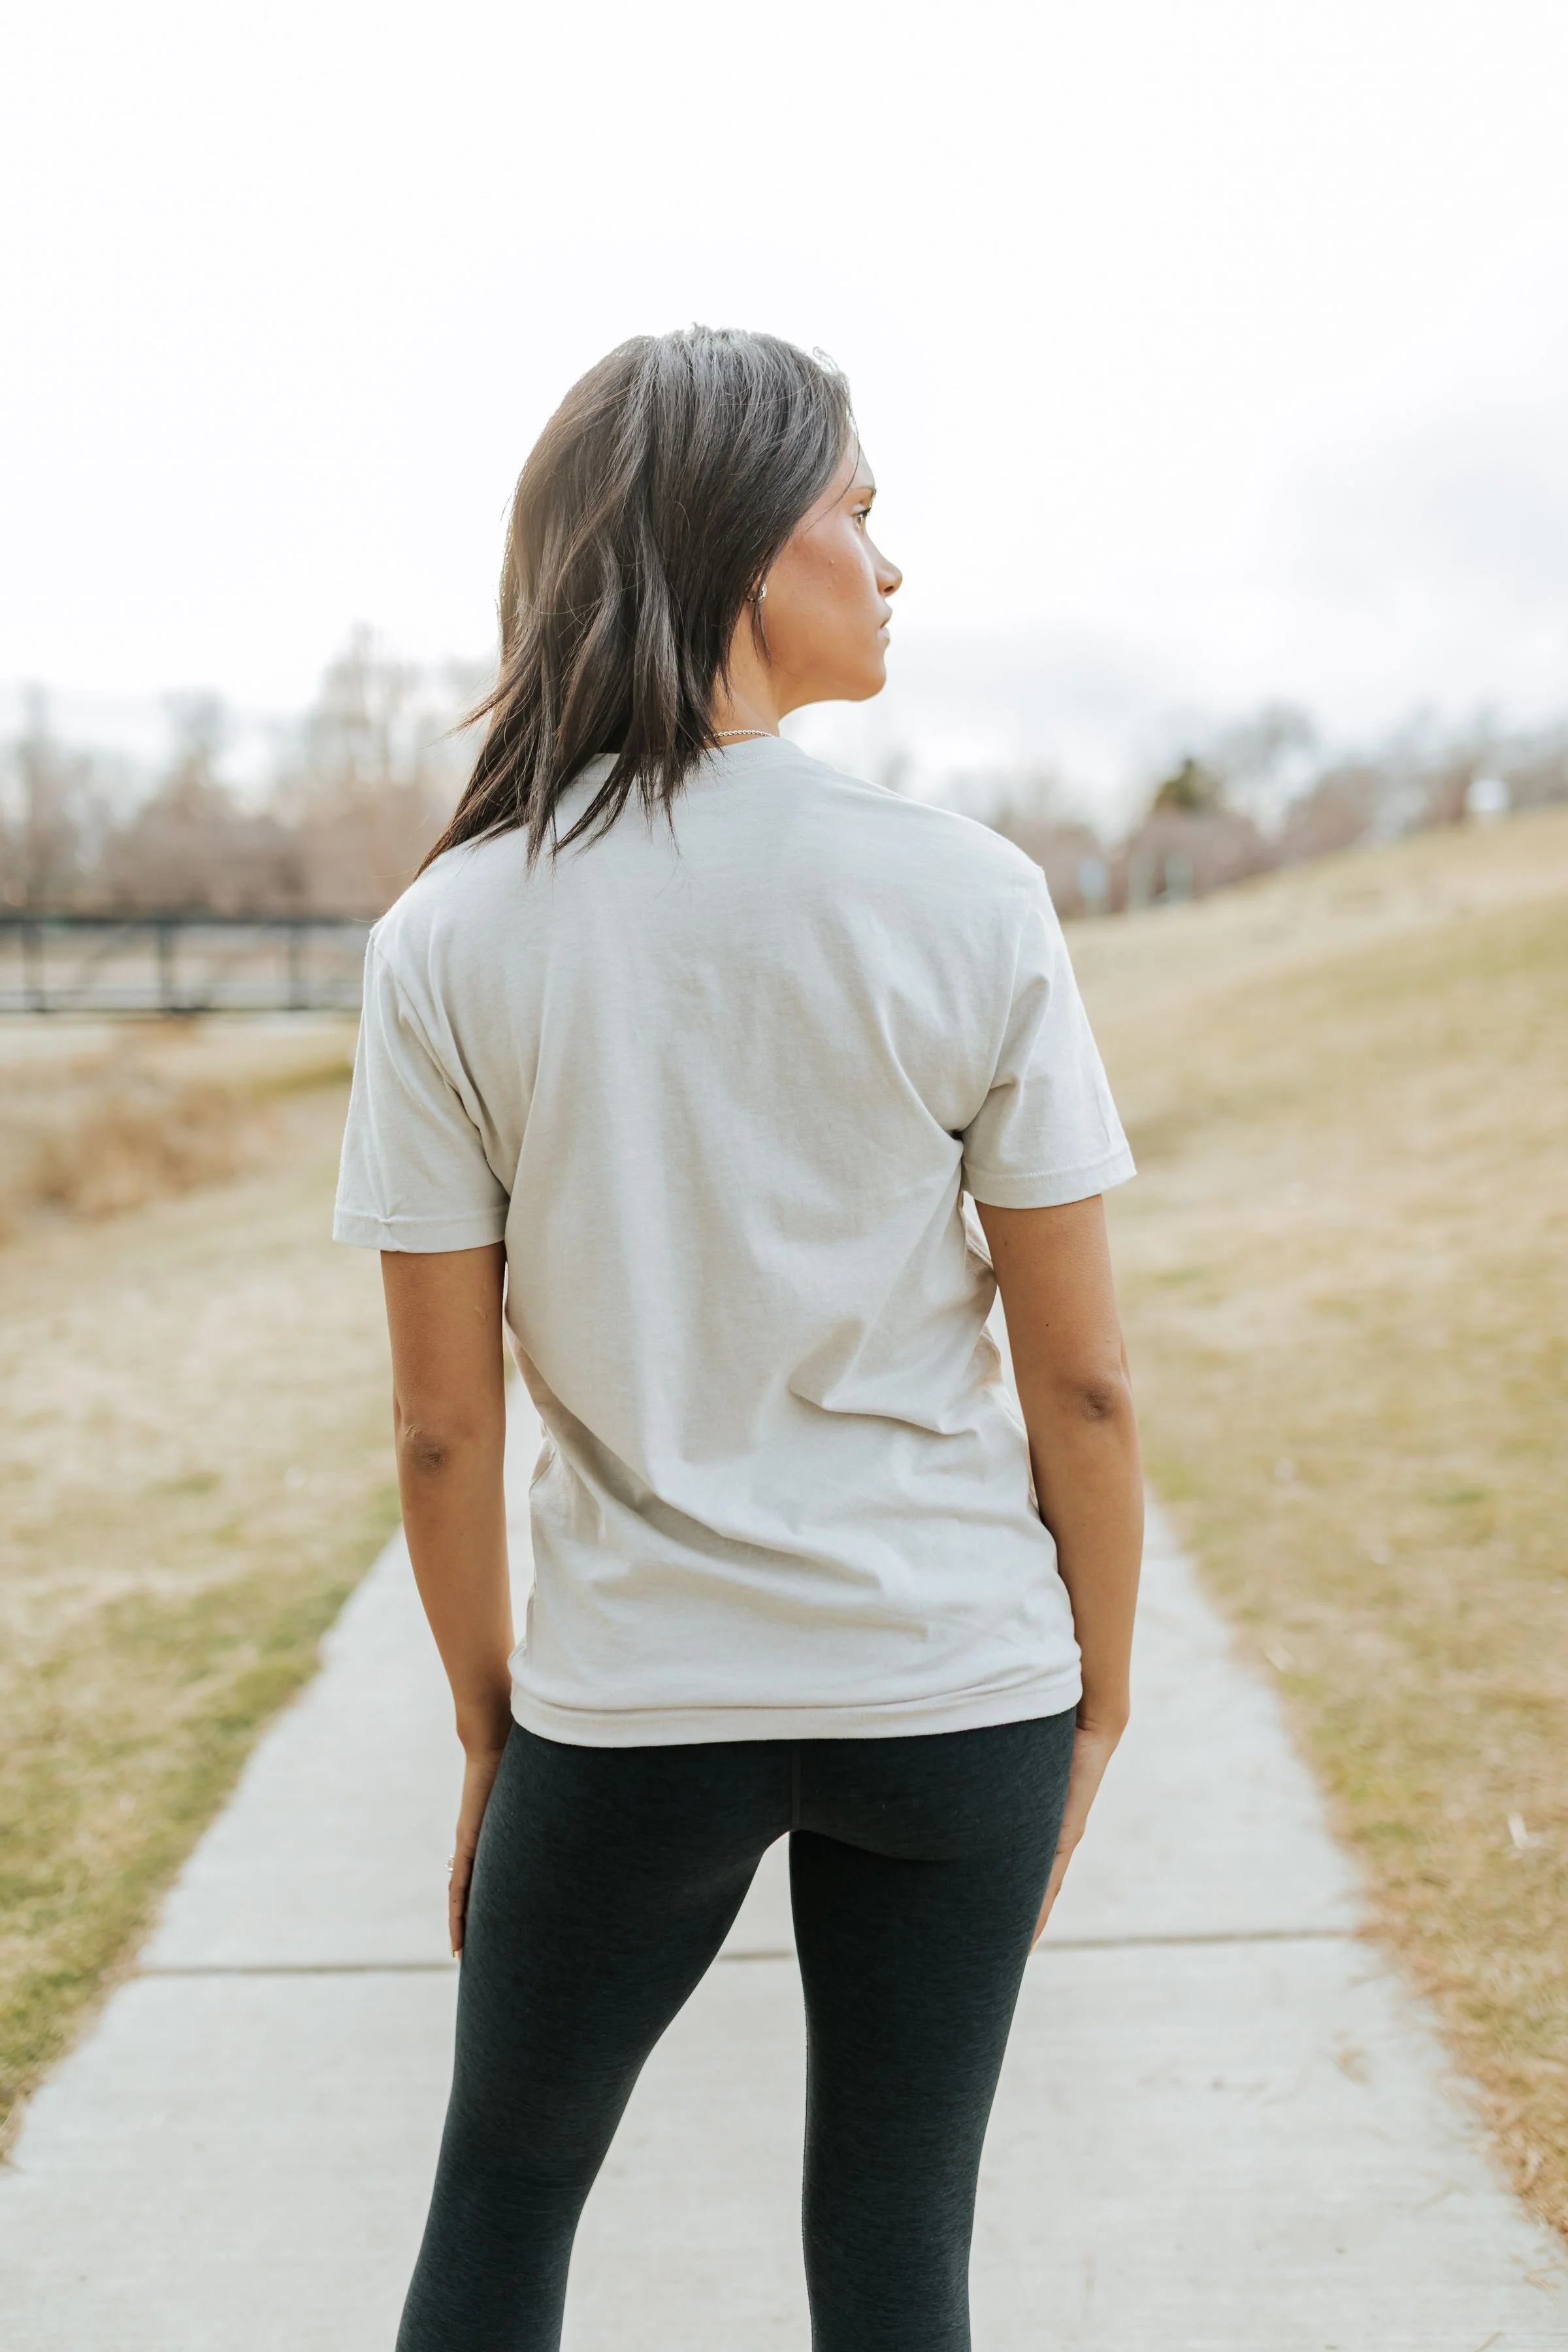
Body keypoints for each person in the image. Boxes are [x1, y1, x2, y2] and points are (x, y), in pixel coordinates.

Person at [334, 325, 1143, 2352]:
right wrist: (1095, 1697)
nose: (890, 564)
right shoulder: (968, 900)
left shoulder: (455, 934)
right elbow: (1089, 1382)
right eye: (857, 514)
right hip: (955, 1687)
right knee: (896, 2252)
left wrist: (485, 1731)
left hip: (628, 1714)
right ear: (736, 549)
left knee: (504, 2210)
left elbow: (442, 1431)